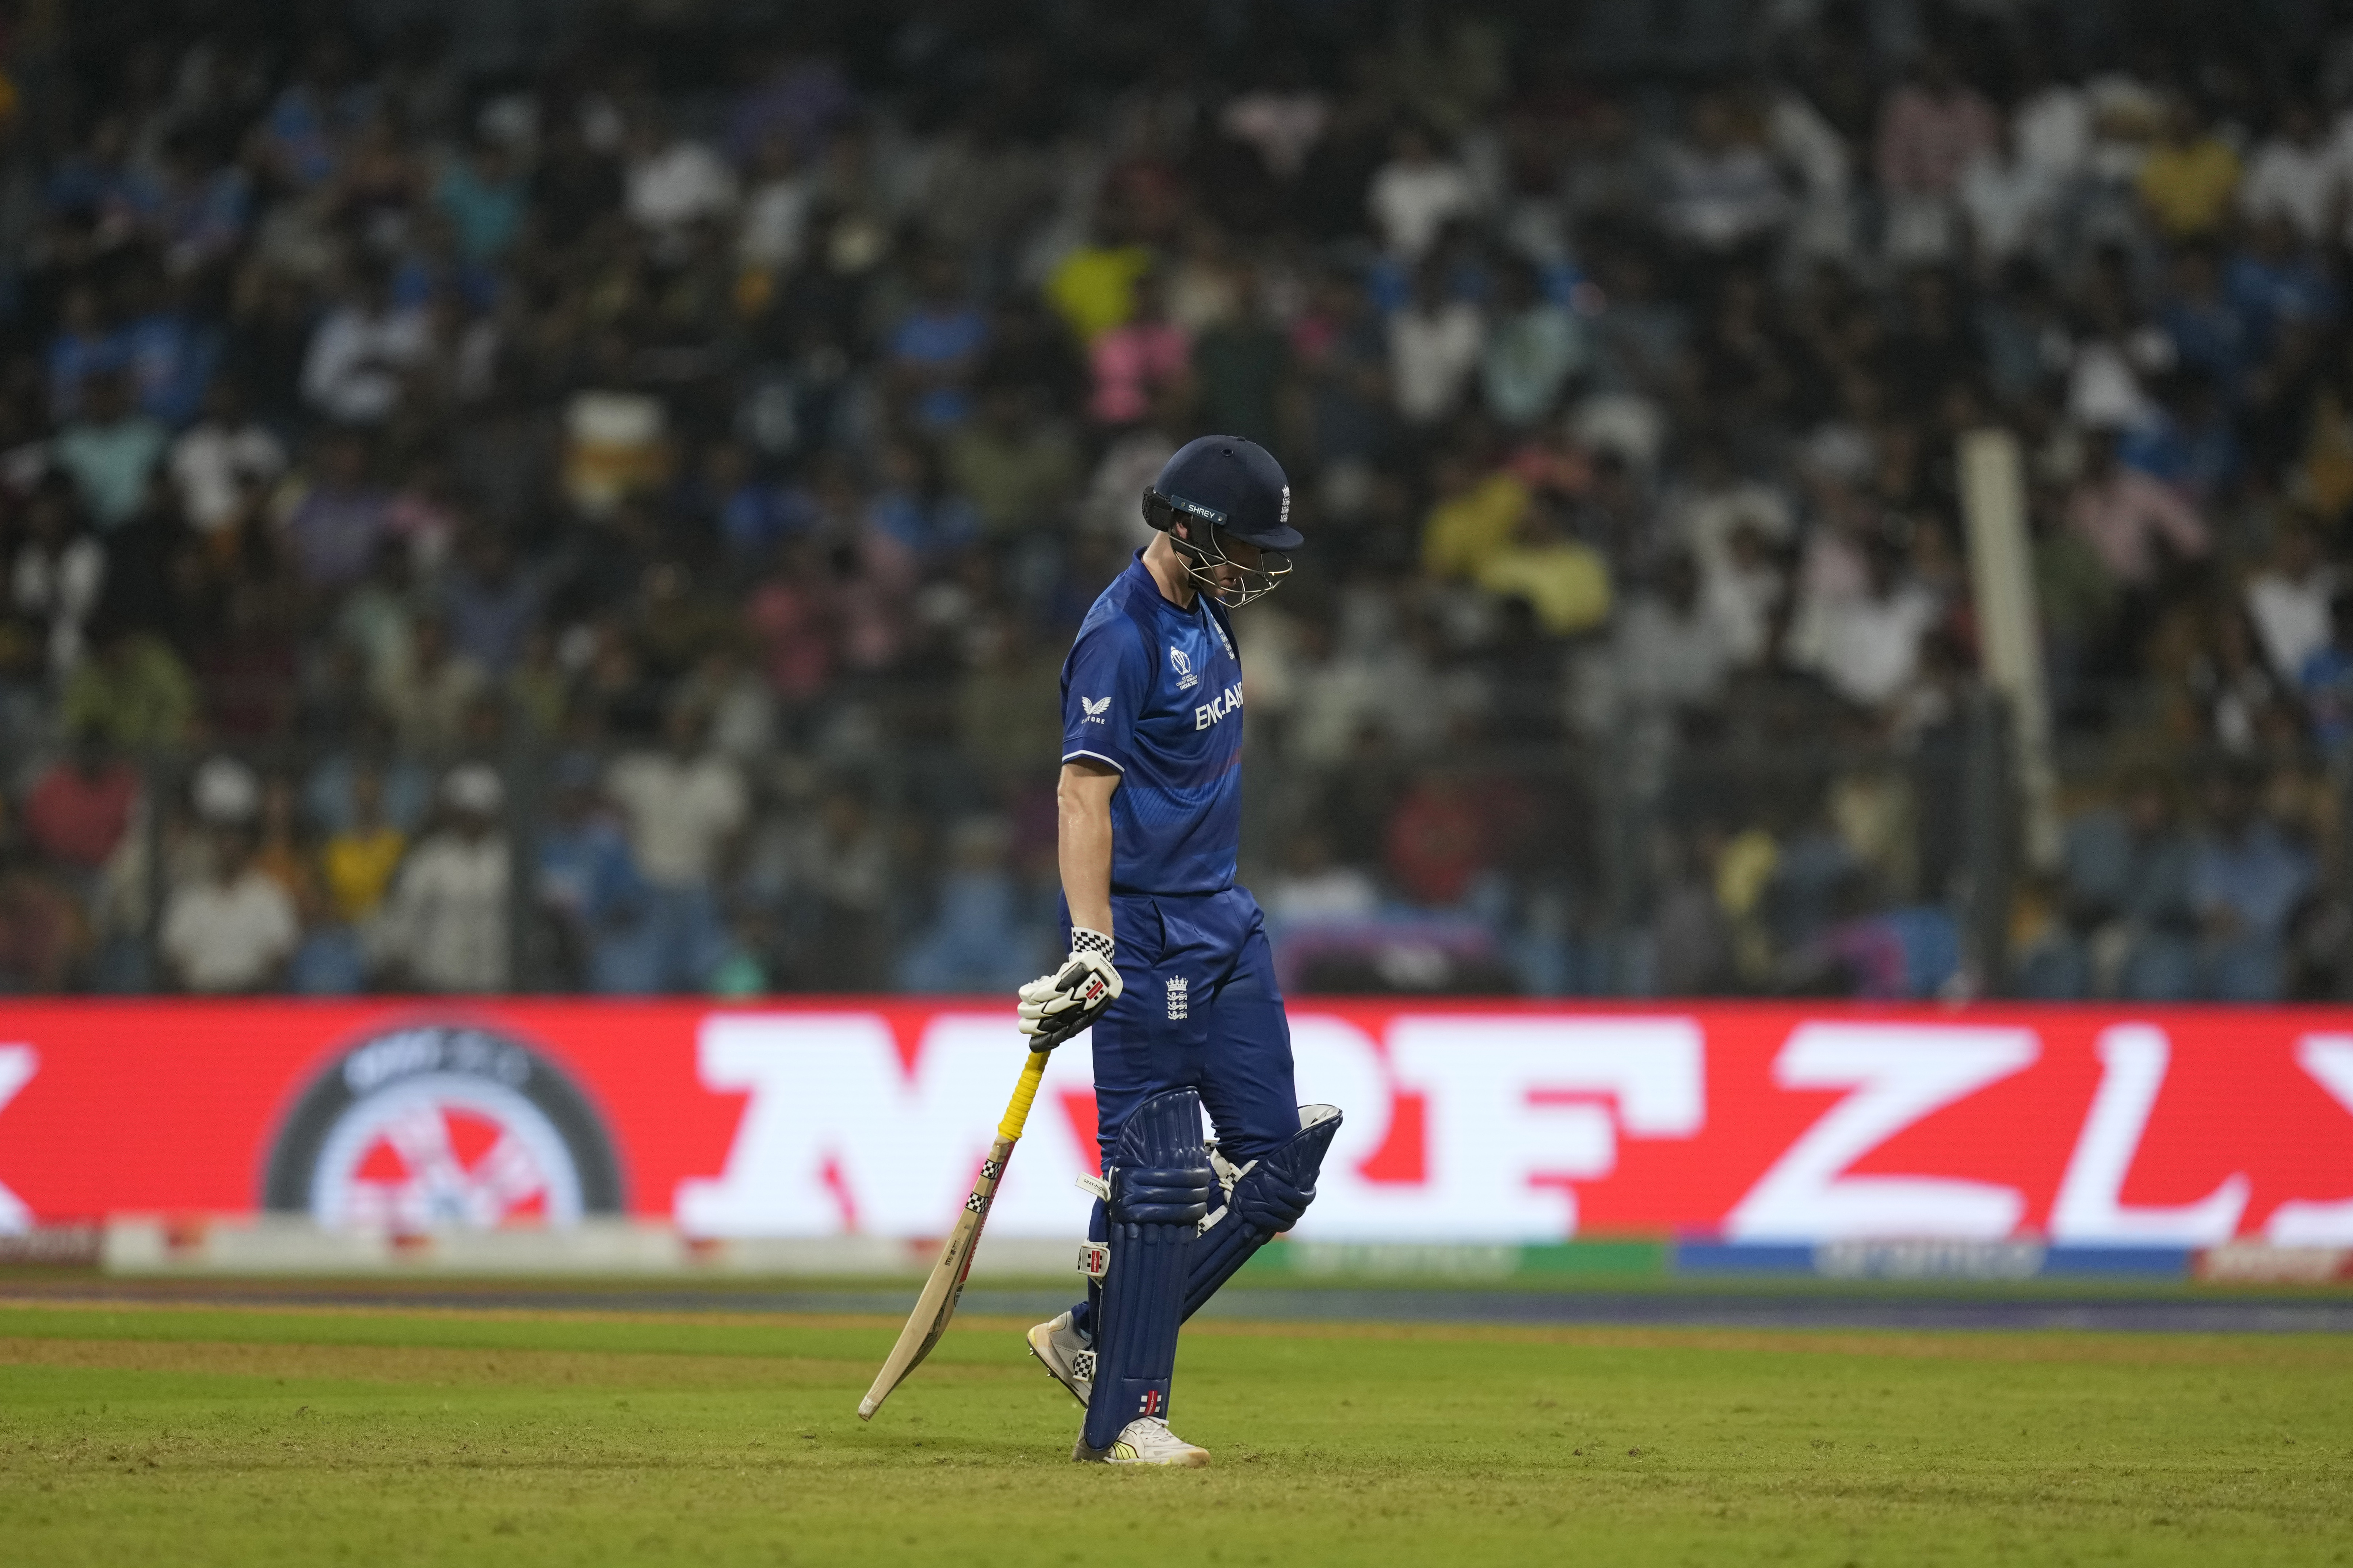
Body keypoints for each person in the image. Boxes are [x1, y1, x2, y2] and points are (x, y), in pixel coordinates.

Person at [1017, 435, 1341, 1466]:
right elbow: (1081, 792)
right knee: (1158, 1181)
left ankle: (1091, 1336)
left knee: (1278, 1170)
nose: (1256, 566)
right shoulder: (1119, 632)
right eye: (1242, 544)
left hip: (1225, 919)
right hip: (1150, 932)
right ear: (1189, 531)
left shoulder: (1206, 616)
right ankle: (1125, 1421)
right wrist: (1091, 940)